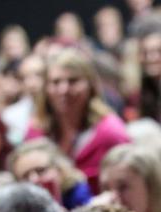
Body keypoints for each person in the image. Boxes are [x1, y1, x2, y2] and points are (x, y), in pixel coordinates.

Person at [25, 49, 131, 193]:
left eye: (73, 81)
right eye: (56, 82)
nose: (64, 89)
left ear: (90, 86)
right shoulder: (36, 133)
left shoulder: (111, 133)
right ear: (45, 88)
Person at [9, 137, 93, 210]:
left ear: (60, 169)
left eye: (40, 171)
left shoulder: (78, 195)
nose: (33, 179)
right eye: (25, 176)